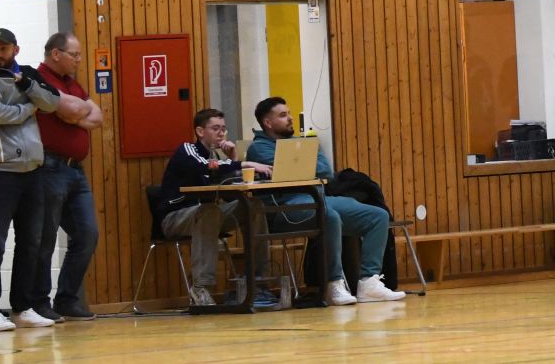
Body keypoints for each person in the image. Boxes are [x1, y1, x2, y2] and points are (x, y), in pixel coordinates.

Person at [0, 28, 76, 331]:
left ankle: (22, 307)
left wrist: (28, 86)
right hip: (0, 170)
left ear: (15, 49)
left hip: (32, 170)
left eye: (3, 49)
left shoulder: (28, 74)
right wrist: (29, 108)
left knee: (30, 242)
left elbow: (52, 102)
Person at [247, 98, 405, 304]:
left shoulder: (303, 143)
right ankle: (333, 284)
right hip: (284, 208)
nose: (290, 118)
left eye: (289, 113)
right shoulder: (258, 148)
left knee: (377, 216)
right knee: (329, 216)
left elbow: (325, 170)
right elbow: (289, 172)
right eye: (283, 115)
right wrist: (300, 167)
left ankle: (368, 282)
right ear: (268, 122)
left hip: (319, 198)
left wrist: (298, 168)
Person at [154, 108, 274, 307]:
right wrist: (243, 164)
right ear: (200, 131)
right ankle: (201, 288)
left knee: (252, 206)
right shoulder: (187, 150)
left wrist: (233, 158)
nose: (221, 133)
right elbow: (204, 166)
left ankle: (259, 281)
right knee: (209, 211)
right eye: (215, 128)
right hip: (175, 218)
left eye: (223, 129)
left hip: (208, 216)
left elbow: (228, 194)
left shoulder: (218, 157)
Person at [32, 33, 102, 322]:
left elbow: (97, 116)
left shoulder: (72, 82)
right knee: (46, 238)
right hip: (50, 168)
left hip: (76, 171)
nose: (79, 60)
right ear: (55, 54)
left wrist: (74, 114)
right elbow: (73, 110)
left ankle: (66, 299)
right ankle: (39, 302)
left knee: (87, 234)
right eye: (74, 54)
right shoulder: (39, 79)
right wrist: (75, 111)